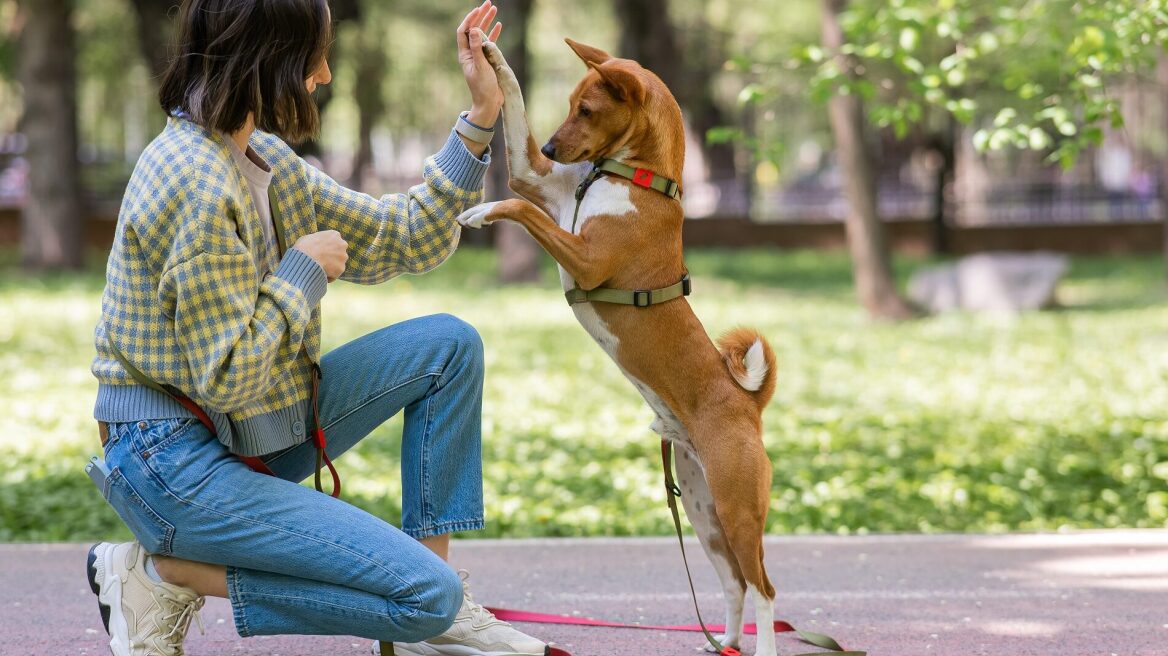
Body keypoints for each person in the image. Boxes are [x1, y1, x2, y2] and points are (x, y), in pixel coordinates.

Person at [85, 1, 547, 655]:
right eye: (316, 55)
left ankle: (436, 611)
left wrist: (480, 119)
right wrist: (302, 273)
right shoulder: (196, 185)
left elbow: (404, 234)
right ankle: (159, 571)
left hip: (245, 428)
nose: (325, 74)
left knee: (449, 346)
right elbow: (228, 379)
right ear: (269, 60)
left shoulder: (263, 160)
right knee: (423, 599)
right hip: (169, 461)